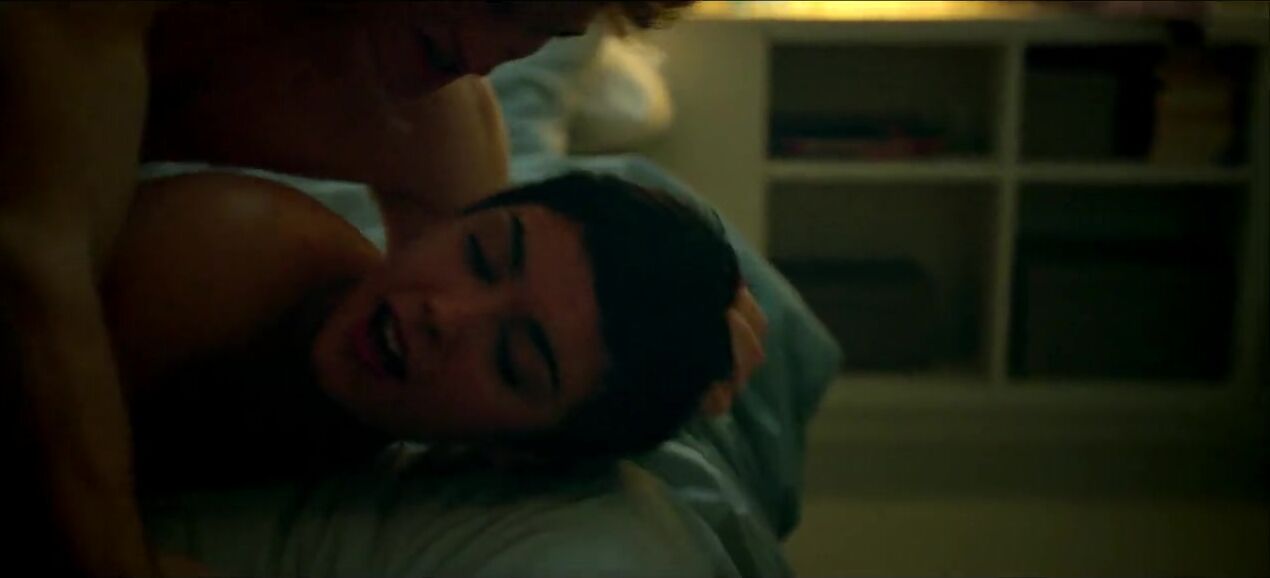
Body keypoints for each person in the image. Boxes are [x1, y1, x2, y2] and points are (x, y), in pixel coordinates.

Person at [2, 2, 764, 576]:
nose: (481, 56)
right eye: (499, 0)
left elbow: (537, 334)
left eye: (540, 33)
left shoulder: (435, 131)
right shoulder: (228, 245)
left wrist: (679, 349)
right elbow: (37, 264)